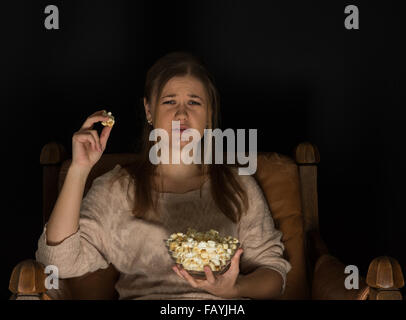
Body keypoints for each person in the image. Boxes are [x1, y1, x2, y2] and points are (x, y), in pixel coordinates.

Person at [35, 51, 291, 300]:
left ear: (210, 113)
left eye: (194, 102)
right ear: (149, 110)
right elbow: (59, 264)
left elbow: (274, 275)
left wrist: (235, 288)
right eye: (169, 101)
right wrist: (79, 170)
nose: (182, 114)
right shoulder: (115, 189)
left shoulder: (239, 184)